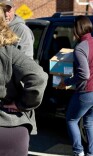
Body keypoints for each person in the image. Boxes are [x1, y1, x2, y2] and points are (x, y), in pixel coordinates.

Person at [0, 3, 48, 155]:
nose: (7, 13)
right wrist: (23, 104)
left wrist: (22, 103)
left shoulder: (21, 34)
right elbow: (38, 77)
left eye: (9, 8)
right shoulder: (8, 52)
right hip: (11, 124)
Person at [58, 15, 93, 156]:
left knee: (71, 120)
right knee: (89, 122)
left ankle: (78, 152)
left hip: (88, 92)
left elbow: (84, 75)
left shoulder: (80, 48)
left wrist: (66, 83)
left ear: (77, 29)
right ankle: (91, 154)